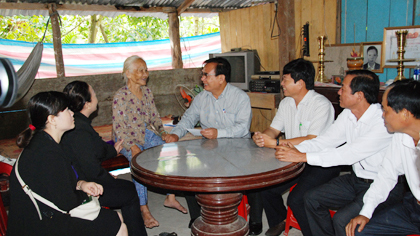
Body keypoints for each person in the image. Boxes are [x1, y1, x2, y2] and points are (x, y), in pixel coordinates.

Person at [275, 70, 405, 236]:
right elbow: (326, 141)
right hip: (356, 179)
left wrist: (302, 157)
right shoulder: (348, 114)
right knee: (310, 199)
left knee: (342, 220)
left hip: (385, 185)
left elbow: (349, 154)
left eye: (343, 89)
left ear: (359, 95)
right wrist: (294, 150)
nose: (338, 92)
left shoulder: (382, 121)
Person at [7, 91, 127, 236]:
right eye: (67, 110)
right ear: (52, 119)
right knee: (115, 222)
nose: (72, 113)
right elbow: (67, 202)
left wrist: (82, 184)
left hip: (35, 217)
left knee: (115, 218)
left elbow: (58, 184)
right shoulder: (49, 154)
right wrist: (85, 193)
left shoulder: (42, 142)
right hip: (40, 226)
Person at [254, 58, 340, 236]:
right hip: (293, 158)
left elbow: (312, 138)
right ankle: (280, 221)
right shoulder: (286, 103)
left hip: (320, 162)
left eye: (285, 79)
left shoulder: (321, 104)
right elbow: (273, 129)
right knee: (266, 188)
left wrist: (277, 143)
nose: (282, 84)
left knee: (297, 199)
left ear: (300, 83)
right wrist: (263, 137)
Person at [163, 57, 252, 227]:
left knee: (253, 174)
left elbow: (242, 128)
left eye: (206, 75)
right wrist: (175, 134)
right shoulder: (202, 98)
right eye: (202, 75)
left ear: (221, 78)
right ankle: (196, 217)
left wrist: (219, 133)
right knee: (187, 171)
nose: (202, 79)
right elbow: (187, 120)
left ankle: (254, 220)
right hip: (210, 149)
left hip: (238, 149)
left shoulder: (240, 98)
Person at [61, 81, 147, 235]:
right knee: (129, 191)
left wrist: (112, 151)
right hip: (83, 187)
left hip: (84, 177)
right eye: (94, 94)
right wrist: (108, 178)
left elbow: (98, 148)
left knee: (125, 186)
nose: (97, 98)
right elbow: (91, 168)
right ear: (87, 104)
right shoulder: (80, 131)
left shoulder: (79, 123)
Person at [113, 55, 187, 228]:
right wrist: (132, 147)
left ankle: (170, 197)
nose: (145, 74)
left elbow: (154, 117)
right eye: (140, 70)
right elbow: (119, 128)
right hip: (125, 138)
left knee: (170, 150)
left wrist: (162, 133)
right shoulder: (120, 96)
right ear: (128, 74)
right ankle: (144, 209)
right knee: (138, 162)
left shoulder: (147, 92)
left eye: (146, 70)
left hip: (144, 133)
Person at [345, 79, 420, 236]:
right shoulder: (401, 136)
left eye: (386, 110)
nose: (382, 115)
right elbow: (387, 175)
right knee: (360, 231)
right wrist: (366, 212)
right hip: (413, 206)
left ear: (405, 114)